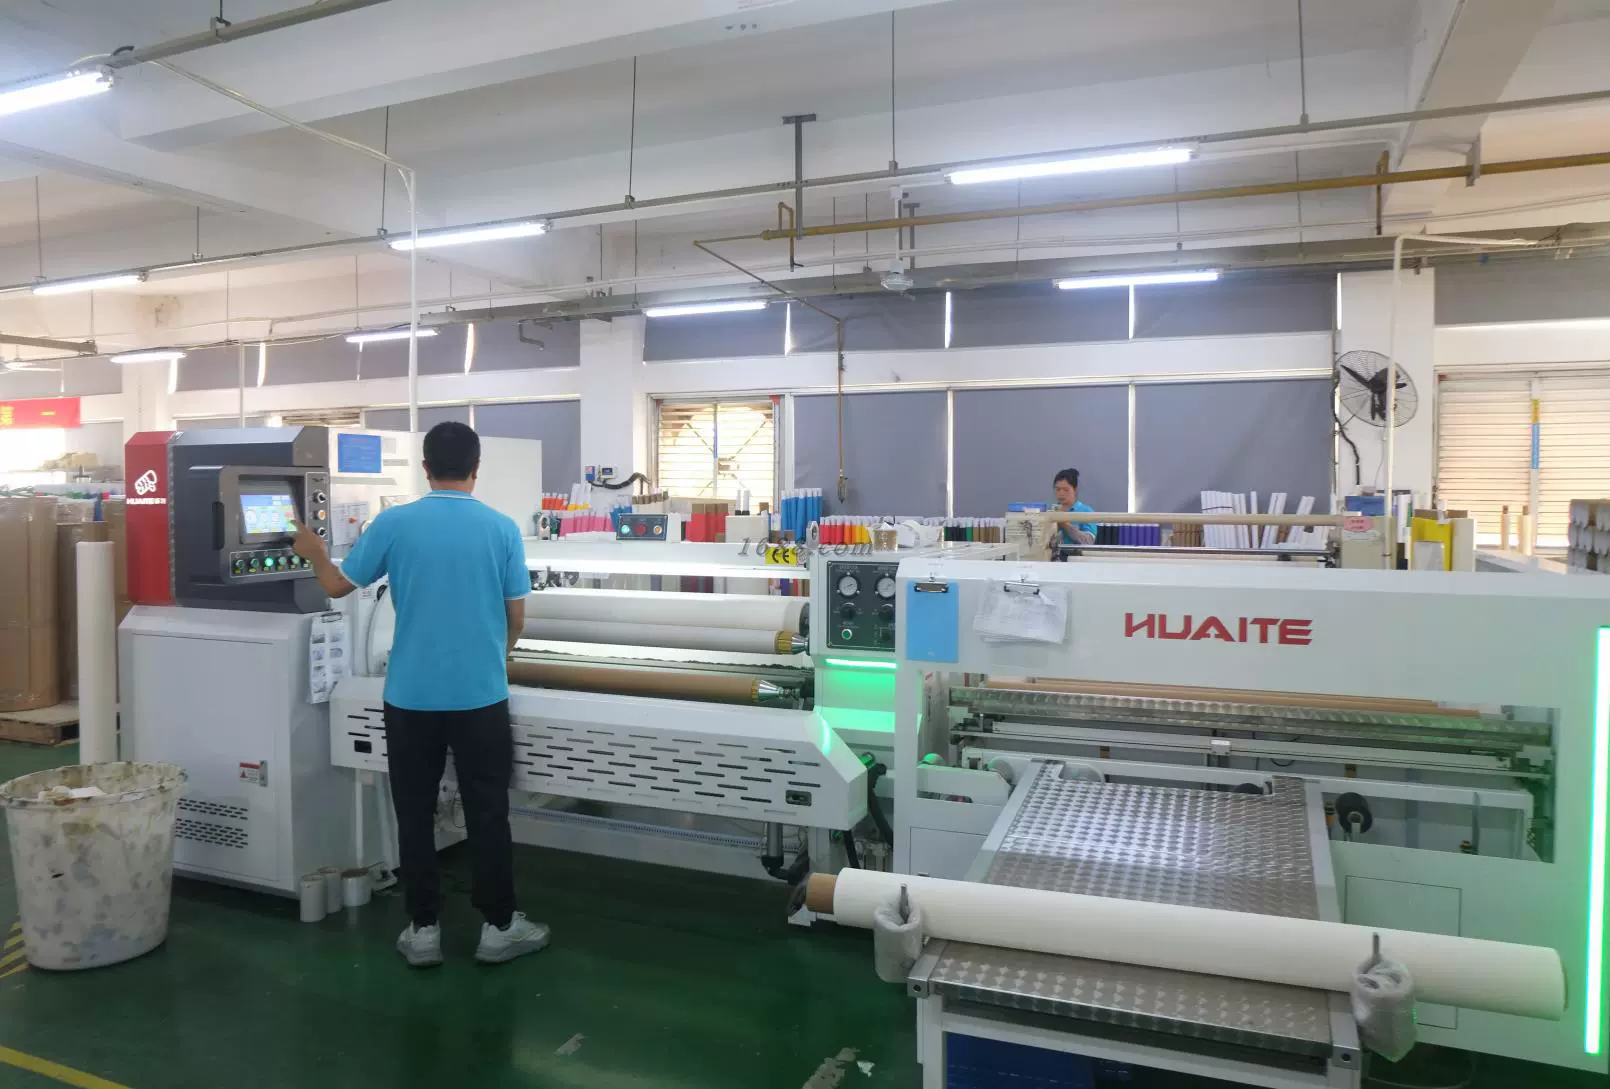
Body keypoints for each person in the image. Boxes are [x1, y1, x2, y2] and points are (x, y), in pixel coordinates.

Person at [292, 420, 547, 969]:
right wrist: (493, 655)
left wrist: (314, 550)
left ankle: (424, 929)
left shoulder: (394, 523)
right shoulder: (501, 528)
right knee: (487, 811)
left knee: (413, 810)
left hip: (410, 697)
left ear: (425, 467)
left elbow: (336, 586)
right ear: (476, 469)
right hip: (480, 696)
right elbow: (517, 618)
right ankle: (500, 927)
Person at [1048, 467, 1098, 557]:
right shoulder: (1051, 512)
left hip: (1077, 560)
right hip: (1053, 560)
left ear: (1075, 490)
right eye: (1058, 489)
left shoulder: (1086, 512)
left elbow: (1088, 542)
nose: (1061, 493)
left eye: (1066, 490)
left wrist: (1065, 525)